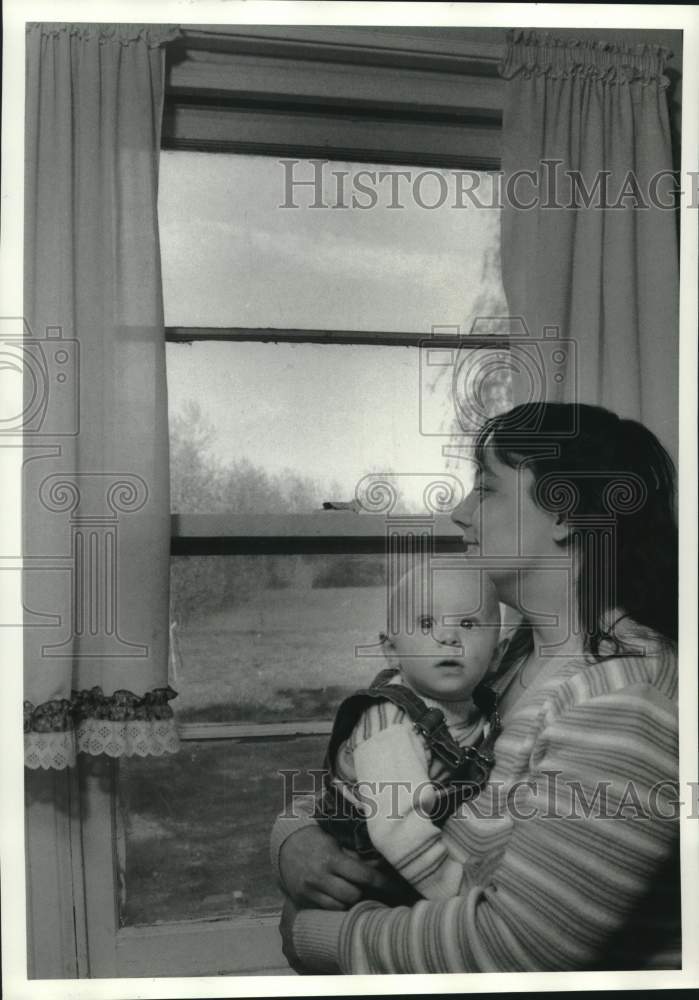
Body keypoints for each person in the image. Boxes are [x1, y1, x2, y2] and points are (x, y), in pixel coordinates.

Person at [272, 403, 680, 974]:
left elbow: (516, 949)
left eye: (486, 489)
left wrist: (322, 936)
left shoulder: (623, 703)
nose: (461, 513)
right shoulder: (506, 656)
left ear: (564, 513)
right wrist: (295, 839)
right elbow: (387, 760)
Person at [314, 565, 503, 902]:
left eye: (469, 624)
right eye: (427, 624)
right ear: (392, 650)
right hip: (375, 874)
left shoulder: (477, 708)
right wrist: (461, 893)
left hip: (420, 860)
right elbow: (398, 828)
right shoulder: (392, 723)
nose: (449, 638)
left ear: (495, 657)